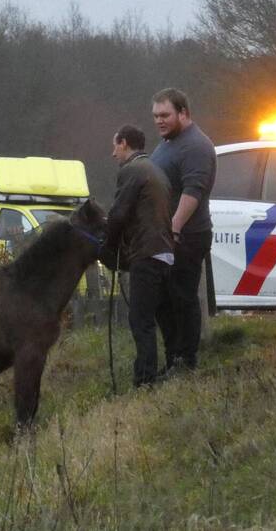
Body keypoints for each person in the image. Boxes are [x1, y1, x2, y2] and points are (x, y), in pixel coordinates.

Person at [98, 124, 176, 387]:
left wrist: (106, 246)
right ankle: (174, 365)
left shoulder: (132, 170)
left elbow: (119, 213)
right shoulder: (156, 171)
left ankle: (145, 380)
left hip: (147, 253)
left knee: (140, 320)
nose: (113, 154)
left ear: (123, 143)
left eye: (114, 146)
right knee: (162, 316)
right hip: (165, 252)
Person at [149, 88, 216, 371]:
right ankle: (172, 355)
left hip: (186, 236)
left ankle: (186, 360)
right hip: (164, 235)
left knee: (182, 297)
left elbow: (193, 191)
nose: (159, 121)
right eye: (155, 116)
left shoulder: (195, 146)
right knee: (162, 299)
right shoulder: (168, 143)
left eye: (165, 115)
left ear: (183, 113)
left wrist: (174, 228)